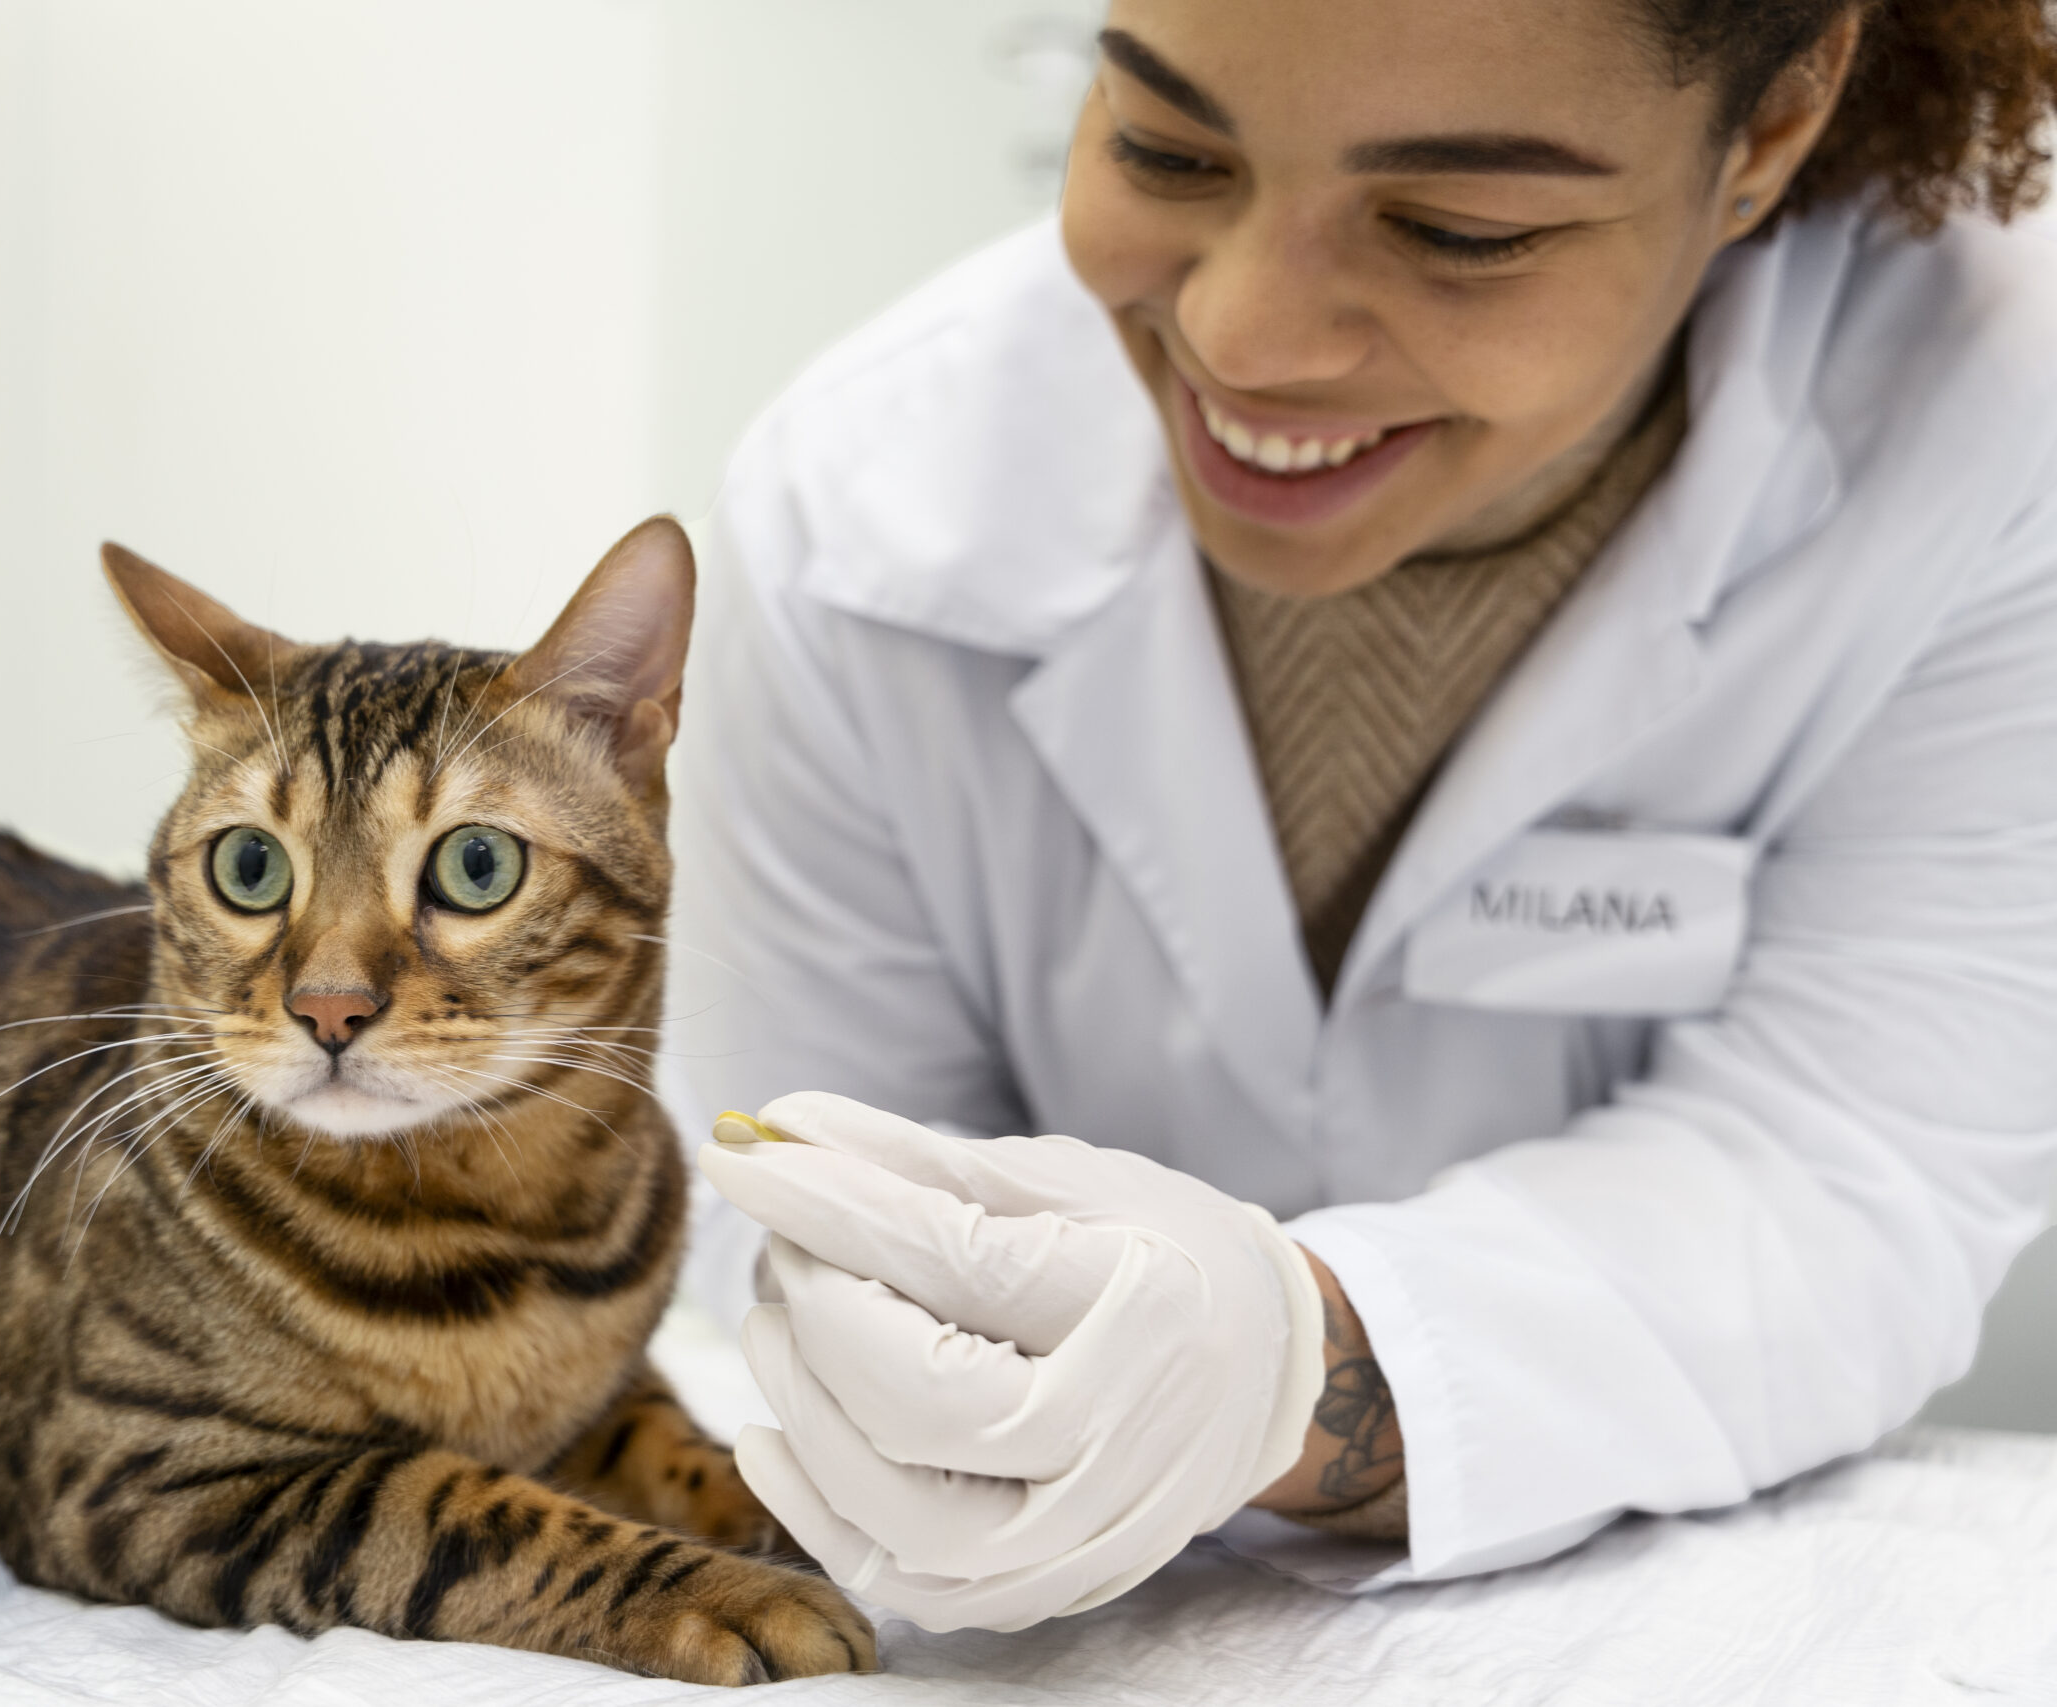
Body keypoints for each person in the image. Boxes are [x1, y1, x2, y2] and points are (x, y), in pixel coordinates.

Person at [667, 0, 2057, 1630]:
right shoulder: (861, 518)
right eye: (1163, 146)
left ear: (1767, 125)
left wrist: (1302, 1365)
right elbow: (803, 1213)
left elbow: (1844, 1169)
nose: (1246, 336)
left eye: (1461, 229)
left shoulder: (1993, 431)